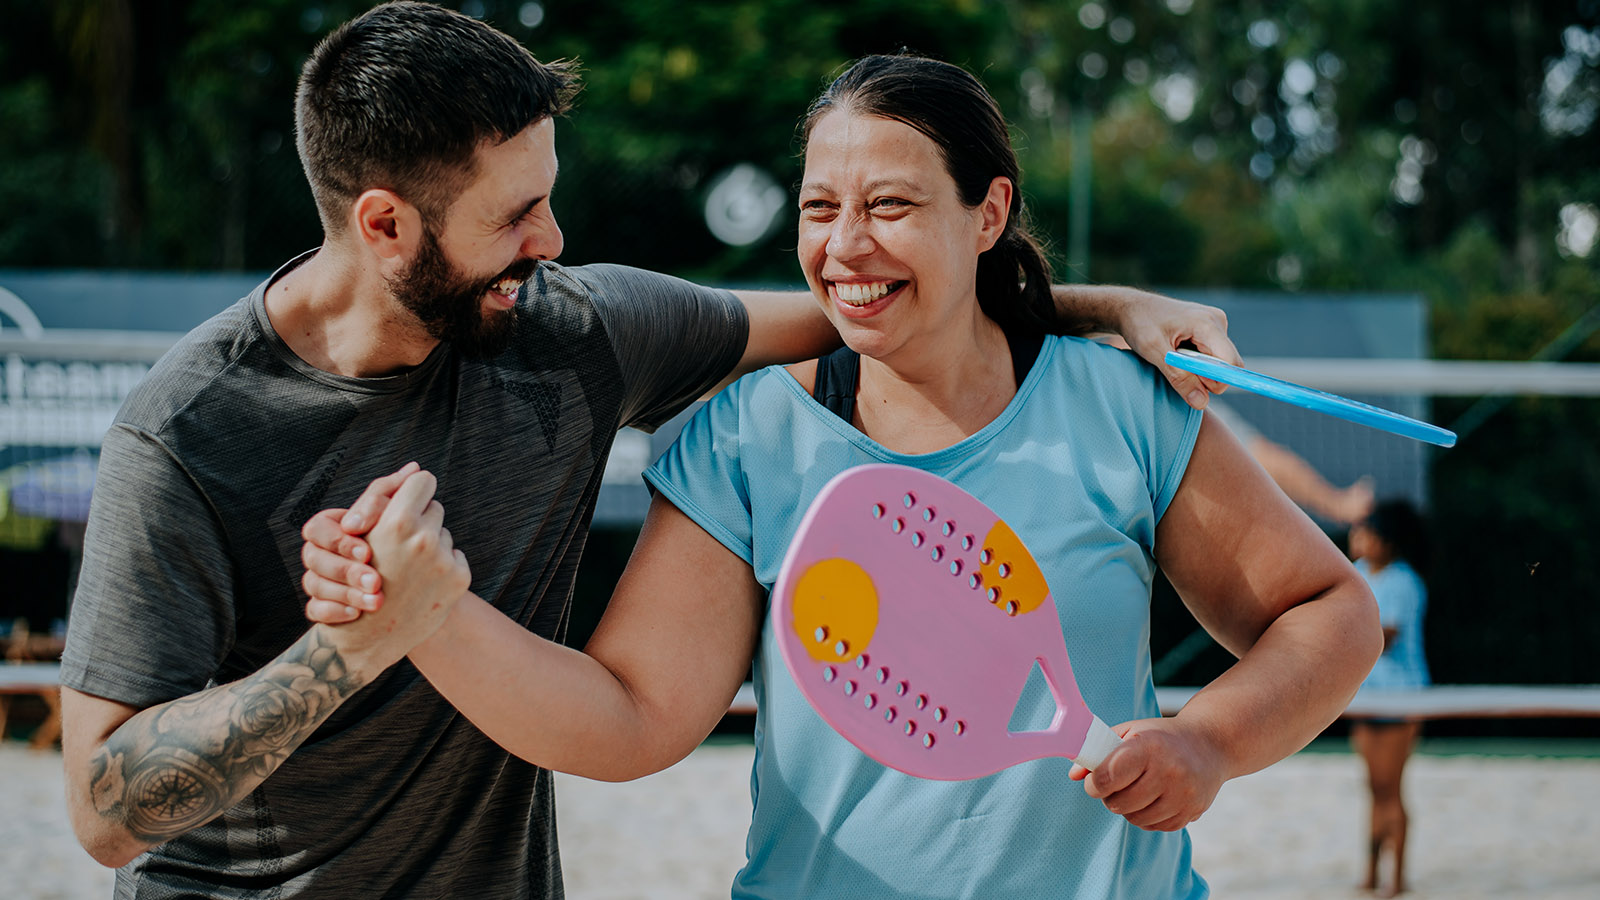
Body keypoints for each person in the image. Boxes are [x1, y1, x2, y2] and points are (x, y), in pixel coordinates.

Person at [55, 5, 1239, 898]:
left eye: (548, 198)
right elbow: (105, 810)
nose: (552, 238)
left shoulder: (574, 328)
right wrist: (344, 654)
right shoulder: (189, 432)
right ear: (383, 224)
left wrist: (1107, 302)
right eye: (513, 217)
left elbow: (874, 299)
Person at [304, 54, 1382, 899]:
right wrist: (430, 619)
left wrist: (1209, 742)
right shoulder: (747, 436)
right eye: (821, 209)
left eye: (892, 207)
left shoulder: (1122, 407)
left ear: (989, 214)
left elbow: (1327, 611)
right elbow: (633, 717)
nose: (847, 246)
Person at [1346, 500, 1431, 898]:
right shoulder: (1356, 575)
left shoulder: (1403, 581)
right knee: (1373, 787)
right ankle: (1371, 870)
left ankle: (1397, 877)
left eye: (1364, 532)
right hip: (1366, 696)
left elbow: (1383, 636)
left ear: (1386, 539)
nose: (1356, 538)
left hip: (1401, 696)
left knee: (1390, 787)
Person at [1204, 400, 1376, 525]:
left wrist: (1338, 505)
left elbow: (1264, 459)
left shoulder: (1197, 407)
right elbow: (1265, 460)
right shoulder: (1195, 408)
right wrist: (1337, 505)